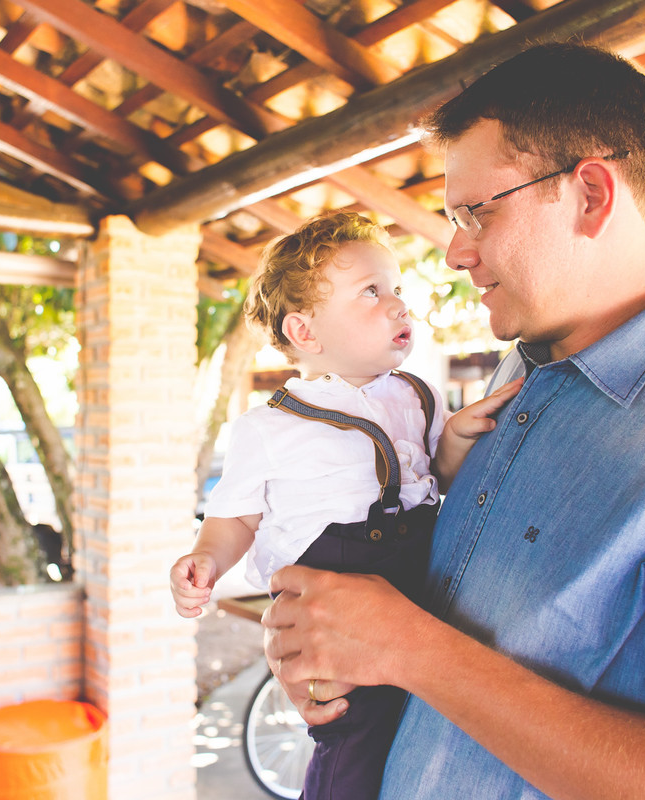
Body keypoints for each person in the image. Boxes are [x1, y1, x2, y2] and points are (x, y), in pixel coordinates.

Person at [262, 43, 645, 800]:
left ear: (591, 194)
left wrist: (409, 649)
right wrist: (340, 654)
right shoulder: (515, 378)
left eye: (474, 212)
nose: (456, 250)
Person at [170, 211, 520, 799]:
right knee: (353, 728)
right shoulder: (269, 425)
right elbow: (235, 516)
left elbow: (435, 477)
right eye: (371, 293)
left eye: (397, 289)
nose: (398, 305)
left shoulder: (419, 396)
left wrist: (455, 437)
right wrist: (207, 560)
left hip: (413, 570)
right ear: (306, 332)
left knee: (424, 710)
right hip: (333, 582)